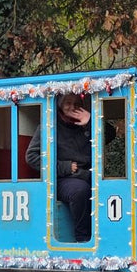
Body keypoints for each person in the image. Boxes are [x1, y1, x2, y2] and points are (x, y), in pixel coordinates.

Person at [26, 92, 100, 241]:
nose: (72, 107)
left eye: (77, 104)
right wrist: (63, 167)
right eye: (68, 103)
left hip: (90, 175)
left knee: (111, 186)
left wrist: (91, 121)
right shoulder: (48, 126)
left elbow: (110, 135)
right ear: (60, 106)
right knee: (79, 190)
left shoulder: (86, 124)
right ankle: (83, 238)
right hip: (62, 178)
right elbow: (31, 157)